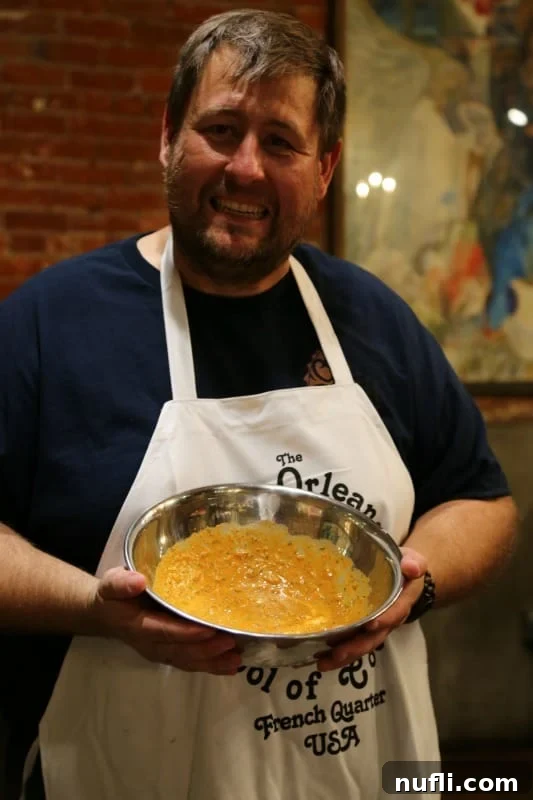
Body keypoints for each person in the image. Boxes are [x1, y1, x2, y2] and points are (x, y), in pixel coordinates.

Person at [0, 9, 517, 800]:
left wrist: (420, 579)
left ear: (324, 166)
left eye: (280, 141)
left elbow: (480, 500)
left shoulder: (372, 318)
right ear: (167, 136)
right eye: (220, 129)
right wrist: (95, 609)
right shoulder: (49, 322)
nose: (245, 168)